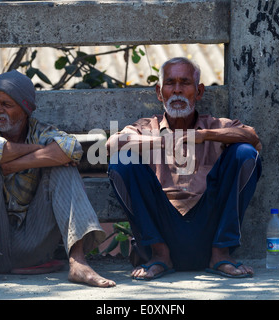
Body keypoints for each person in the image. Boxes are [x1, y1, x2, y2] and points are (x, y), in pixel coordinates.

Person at [0, 70, 115, 288]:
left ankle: (78, 262)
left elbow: (71, 149)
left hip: (29, 244)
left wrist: (14, 164)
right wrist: (39, 151)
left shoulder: (41, 131)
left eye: (6, 104)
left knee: (63, 167)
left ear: (25, 108)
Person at [106, 57, 262, 280]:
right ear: (160, 92)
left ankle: (221, 255)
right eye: (170, 83)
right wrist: (168, 140)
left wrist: (202, 136)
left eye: (185, 83)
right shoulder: (145, 127)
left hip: (209, 229)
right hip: (161, 229)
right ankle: (160, 256)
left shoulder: (215, 125)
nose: (177, 90)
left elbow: (251, 137)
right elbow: (112, 145)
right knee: (122, 160)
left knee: (245, 152)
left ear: (198, 92)